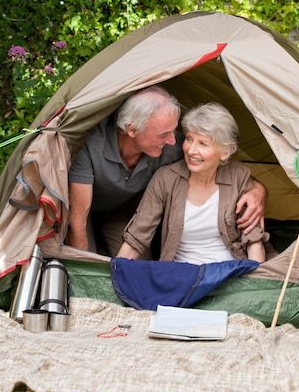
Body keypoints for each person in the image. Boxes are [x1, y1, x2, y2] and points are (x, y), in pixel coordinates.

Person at [67, 87, 267, 256]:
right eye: (164, 135)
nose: (175, 141)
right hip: (86, 209)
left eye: (175, 131)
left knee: (136, 268)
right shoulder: (91, 145)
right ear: (132, 130)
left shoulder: (176, 147)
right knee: (87, 260)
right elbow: (78, 221)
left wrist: (258, 191)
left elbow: (223, 168)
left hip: (127, 212)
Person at [117, 103, 276, 264]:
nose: (191, 150)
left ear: (225, 152)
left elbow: (253, 239)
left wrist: (255, 284)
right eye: (189, 139)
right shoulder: (166, 178)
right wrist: (116, 274)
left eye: (203, 144)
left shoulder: (237, 174)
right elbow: (137, 237)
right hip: (183, 276)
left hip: (231, 273)